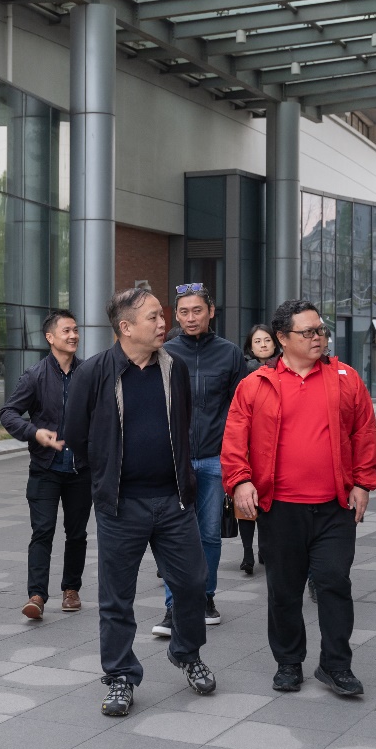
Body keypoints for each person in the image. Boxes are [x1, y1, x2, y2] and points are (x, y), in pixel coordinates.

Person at [64, 287, 215, 717]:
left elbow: (182, 424)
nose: (163, 323)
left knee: (192, 584)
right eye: (153, 317)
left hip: (174, 501)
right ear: (126, 327)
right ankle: (120, 676)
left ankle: (186, 652)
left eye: (162, 315)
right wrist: (106, 472)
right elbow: (74, 434)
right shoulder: (94, 372)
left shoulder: (174, 368)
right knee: (117, 597)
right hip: (121, 505)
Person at [222, 299, 376, 698]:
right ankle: (289, 662)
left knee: (334, 582)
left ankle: (336, 665)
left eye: (320, 330)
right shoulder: (255, 384)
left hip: (335, 507)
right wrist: (240, 482)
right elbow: (235, 439)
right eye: (308, 332)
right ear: (282, 338)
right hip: (280, 508)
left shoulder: (345, 378)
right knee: (284, 589)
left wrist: (363, 483)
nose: (318, 337)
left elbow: (364, 432)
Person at [152, 284, 247, 636]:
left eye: (197, 311)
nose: (190, 318)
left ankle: (205, 597)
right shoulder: (163, 353)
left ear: (211, 312)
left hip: (213, 459)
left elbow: (241, 412)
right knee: (171, 535)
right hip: (171, 461)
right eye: (183, 312)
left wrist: (237, 460)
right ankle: (174, 605)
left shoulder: (230, 354)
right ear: (175, 316)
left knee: (208, 534)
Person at [0, 310, 92, 620]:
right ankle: (37, 595)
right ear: (50, 337)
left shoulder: (88, 373)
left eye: (75, 330)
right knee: (42, 531)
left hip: (81, 470)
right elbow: (8, 413)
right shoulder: (35, 375)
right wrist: (34, 432)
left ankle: (71, 589)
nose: (73, 335)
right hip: (45, 469)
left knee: (77, 533)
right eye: (66, 331)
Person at [238, 324, 279, 574]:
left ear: (275, 342)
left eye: (267, 340)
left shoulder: (284, 368)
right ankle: (247, 553)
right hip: (248, 443)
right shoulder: (242, 370)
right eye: (257, 341)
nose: (263, 345)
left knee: (267, 501)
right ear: (250, 346)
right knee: (245, 501)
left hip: (272, 442)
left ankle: (264, 548)